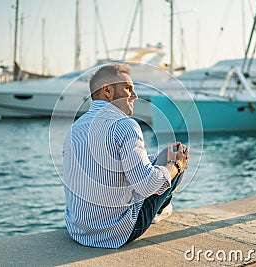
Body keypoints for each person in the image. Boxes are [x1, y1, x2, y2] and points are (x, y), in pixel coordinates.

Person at [62, 63, 189, 248]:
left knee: (166, 155)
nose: (135, 96)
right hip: (115, 231)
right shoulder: (125, 126)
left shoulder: (75, 128)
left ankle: (160, 200)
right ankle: (159, 211)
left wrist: (160, 157)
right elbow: (147, 185)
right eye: (128, 88)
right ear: (107, 91)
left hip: (78, 229)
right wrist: (175, 166)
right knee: (179, 155)